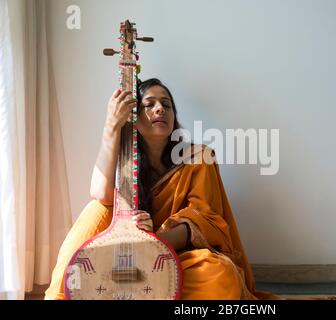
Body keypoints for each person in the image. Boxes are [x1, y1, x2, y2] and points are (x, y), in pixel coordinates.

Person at [45, 78, 279, 300]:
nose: (160, 109)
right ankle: (58, 296)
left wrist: (151, 242)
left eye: (166, 104)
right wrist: (112, 126)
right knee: (97, 209)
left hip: (169, 259)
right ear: (133, 118)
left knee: (220, 273)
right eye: (149, 104)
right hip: (124, 259)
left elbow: (205, 220)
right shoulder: (125, 157)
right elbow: (100, 194)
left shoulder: (198, 158)